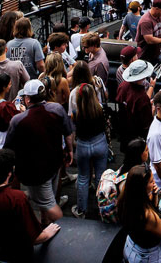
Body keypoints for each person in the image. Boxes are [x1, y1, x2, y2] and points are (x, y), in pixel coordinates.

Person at [4, 79, 74, 223]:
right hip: (55, 162)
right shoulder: (57, 109)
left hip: (36, 171)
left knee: (48, 204)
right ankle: (45, 222)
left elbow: (8, 147)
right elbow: (68, 134)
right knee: (48, 200)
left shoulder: (18, 120)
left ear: (27, 99)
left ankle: (65, 228)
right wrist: (70, 151)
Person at [69, 79, 110, 218]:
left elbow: (74, 125)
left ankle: (81, 210)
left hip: (83, 145)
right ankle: (102, 208)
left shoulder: (76, 112)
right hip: (99, 143)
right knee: (100, 177)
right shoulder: (101, 108)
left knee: (83, 178)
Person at [115, 163, 161, 263]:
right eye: (151, 181)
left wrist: (154, 196)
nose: (154, 183)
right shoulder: (148, 215)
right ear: (142, 187)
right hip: (146, 256)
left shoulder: (125, 198)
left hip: (131, 245)